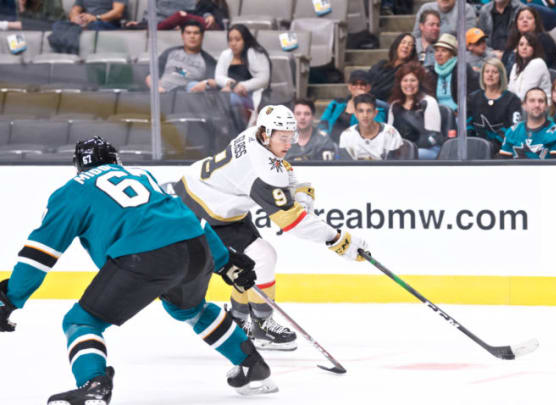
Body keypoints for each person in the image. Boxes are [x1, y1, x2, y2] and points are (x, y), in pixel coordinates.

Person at [0, 136, 277, 404]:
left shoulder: (71, 191)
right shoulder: (142, 175)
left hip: (144, 255)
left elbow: (40, 254)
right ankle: (253, 365)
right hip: (196, 246)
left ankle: (94, 384)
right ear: (115, 160)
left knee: (81, 321)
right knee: (192, 310)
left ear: (78, 166)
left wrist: (11, 297)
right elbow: (190, 218)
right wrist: (225, 261)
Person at [174, 105, 369, 351]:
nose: (288, 143)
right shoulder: (262, 171)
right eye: (283, 137)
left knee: (252, 261)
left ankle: (239, 319)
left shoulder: (253, 134)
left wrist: (297, 190)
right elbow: (293, 222)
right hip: (202, 211)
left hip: (215, 201)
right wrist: (337, 239)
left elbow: (281, 166)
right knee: (262, 257)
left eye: (291, 136)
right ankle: (261, 325)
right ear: (267, 134)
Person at [387, 61, 443, 159]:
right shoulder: (394, 105)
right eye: (405, 80)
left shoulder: (429, 102)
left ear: (419, 82)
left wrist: (408, 148)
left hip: (426, 149)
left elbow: (433, 137)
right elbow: (390, 134)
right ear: (400, 83)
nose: (409, 84)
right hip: (401, 150)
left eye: (413, 80)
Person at [468, 57, 522, 153]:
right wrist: (473, 144)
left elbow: (513, 129)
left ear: (501, 76)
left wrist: (491, 147)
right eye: (487, 71)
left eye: (495, 72)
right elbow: (467, 126)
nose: (490, 75)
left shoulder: (512, 100)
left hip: (503, 151)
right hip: (474, 149)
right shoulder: (472, 98)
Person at [499, 87, 556, 159]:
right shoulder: (512, 132)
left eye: (541, 101)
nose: (537, 105)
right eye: (532, 101)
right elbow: (503, 166)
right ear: (524, 106)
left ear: (546, 106)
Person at [147, 20, 218, 93]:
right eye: (188, 33)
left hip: (187, 97)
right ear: (182, 35)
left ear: (202, 36)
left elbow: (214, 82)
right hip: (162, 94)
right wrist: (157, 89)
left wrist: (206, 83)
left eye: (196, 33)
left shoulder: (208, 60)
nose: (192, 36)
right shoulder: (170, 52)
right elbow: (151, 75)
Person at [215, 24, 271, 115]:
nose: (233, 43)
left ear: (245, 40)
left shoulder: (256, 53)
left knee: (228, 98)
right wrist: (232, 85)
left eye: (237, 40)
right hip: (228, 92)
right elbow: (218, 77)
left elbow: (263, 80)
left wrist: (240, 86)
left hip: (251, 96)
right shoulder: (225, 54)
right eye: (230, 40)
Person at [320, 69, 388, 143]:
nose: (358, 87)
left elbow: (375, 131)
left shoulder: (376, 109)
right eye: (354, 84)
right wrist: (324, 137)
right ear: (349, 86)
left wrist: (364, 100)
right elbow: (323, 122)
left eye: (363, 84)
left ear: (369, 87)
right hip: (331, 146)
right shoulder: (336, 104)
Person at [339, 93, 404, 160]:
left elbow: (396, 164)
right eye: (361, 111)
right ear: (355, 114)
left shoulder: (391, 133)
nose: (365, 115)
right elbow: (344, 166)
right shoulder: (346, 135)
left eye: (369, 111)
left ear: (375, 113)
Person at [426, 33, 480, 112]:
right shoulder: (431, 71)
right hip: (436, 113)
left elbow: (473, 94)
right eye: (437, 50)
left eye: (444, 51)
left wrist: (461, 111)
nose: (439, 54)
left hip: (459, 114)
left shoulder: (463, 68)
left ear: (452, 54)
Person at [501, 6, 556, 72]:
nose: (525, 20)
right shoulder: (513, 41)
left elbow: (544, 64)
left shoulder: (544, 39)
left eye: (529, 18)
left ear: (536, 23)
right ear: (516, 24)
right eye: (521, 19)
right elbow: (503, 65)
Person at [369, 33, 418, 102]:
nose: (406, 46)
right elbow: (367, 79)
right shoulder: (382, 64)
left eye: (410, 45)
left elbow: (388, 91)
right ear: (397, 45)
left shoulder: (407, 70)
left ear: (412, 51)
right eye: (403, 42)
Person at [507, 32, 552, 102]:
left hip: (539, 106)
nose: (524, 48)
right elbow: (509, 91)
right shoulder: (515, 66)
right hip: (520, 106)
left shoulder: (538, 63)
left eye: (528, 45)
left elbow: (525, 95)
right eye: (521, 44)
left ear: (534, 48)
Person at [126, 0, 228, 30]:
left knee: (180, 16)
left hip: (186, 24)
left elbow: (203, 7)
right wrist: (143, 23)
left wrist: (208, 15)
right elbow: (151, 12)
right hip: (162, 25)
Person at [412, 0, 477, 38]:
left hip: (455, 53)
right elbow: (416, 36)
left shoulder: (465, 9)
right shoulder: (426, 8)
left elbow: (469, 38)